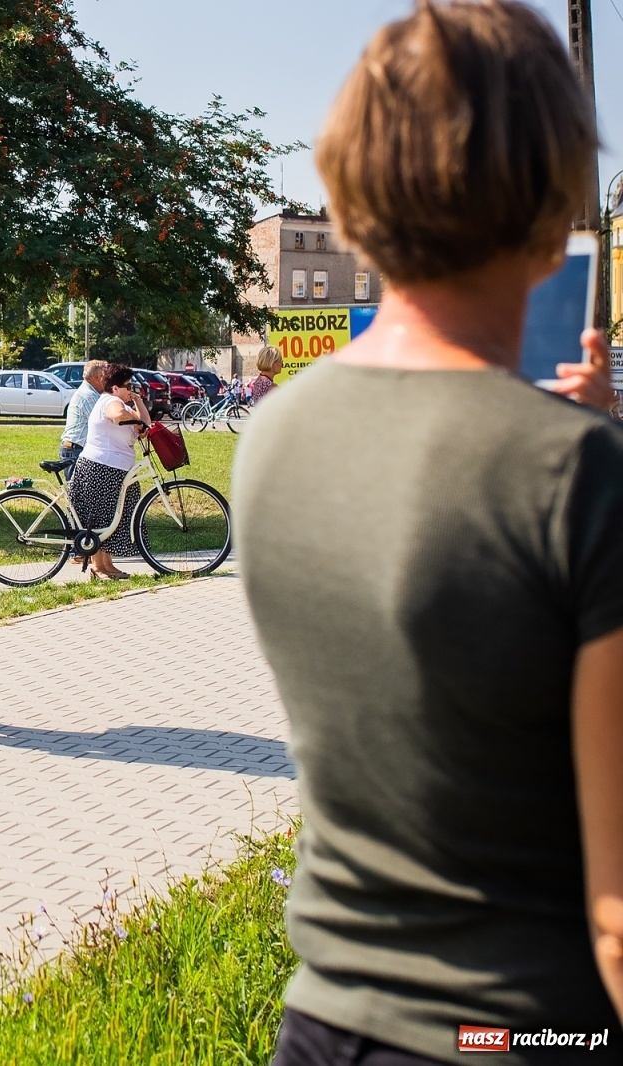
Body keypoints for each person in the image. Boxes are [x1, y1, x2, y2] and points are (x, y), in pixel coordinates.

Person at [232, 4, 623, 1062]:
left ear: (352, 190)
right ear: (552, 196)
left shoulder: (273, 436)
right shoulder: (576, 474)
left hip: (323, 1018)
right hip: (523, 1032)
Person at [66, 364, 148, 579]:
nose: (131, 389)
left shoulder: (123, 403)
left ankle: (108, 565)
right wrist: (135, 421)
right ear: (115, 388)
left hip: (116, 469)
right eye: (128, 386)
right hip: (101, 468)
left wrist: (138, 400)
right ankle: (98, 567)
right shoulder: (111, 401)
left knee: (112, 519)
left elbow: (146, 423)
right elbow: (117, 415)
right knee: (101, 518)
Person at [61, 360, 111, 470]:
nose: (109, 379)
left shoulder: (92, 393)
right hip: (76, 450)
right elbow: (104, 422)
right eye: (107, 376)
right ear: (98, 377)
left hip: (77, 448)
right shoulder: (88, 396)